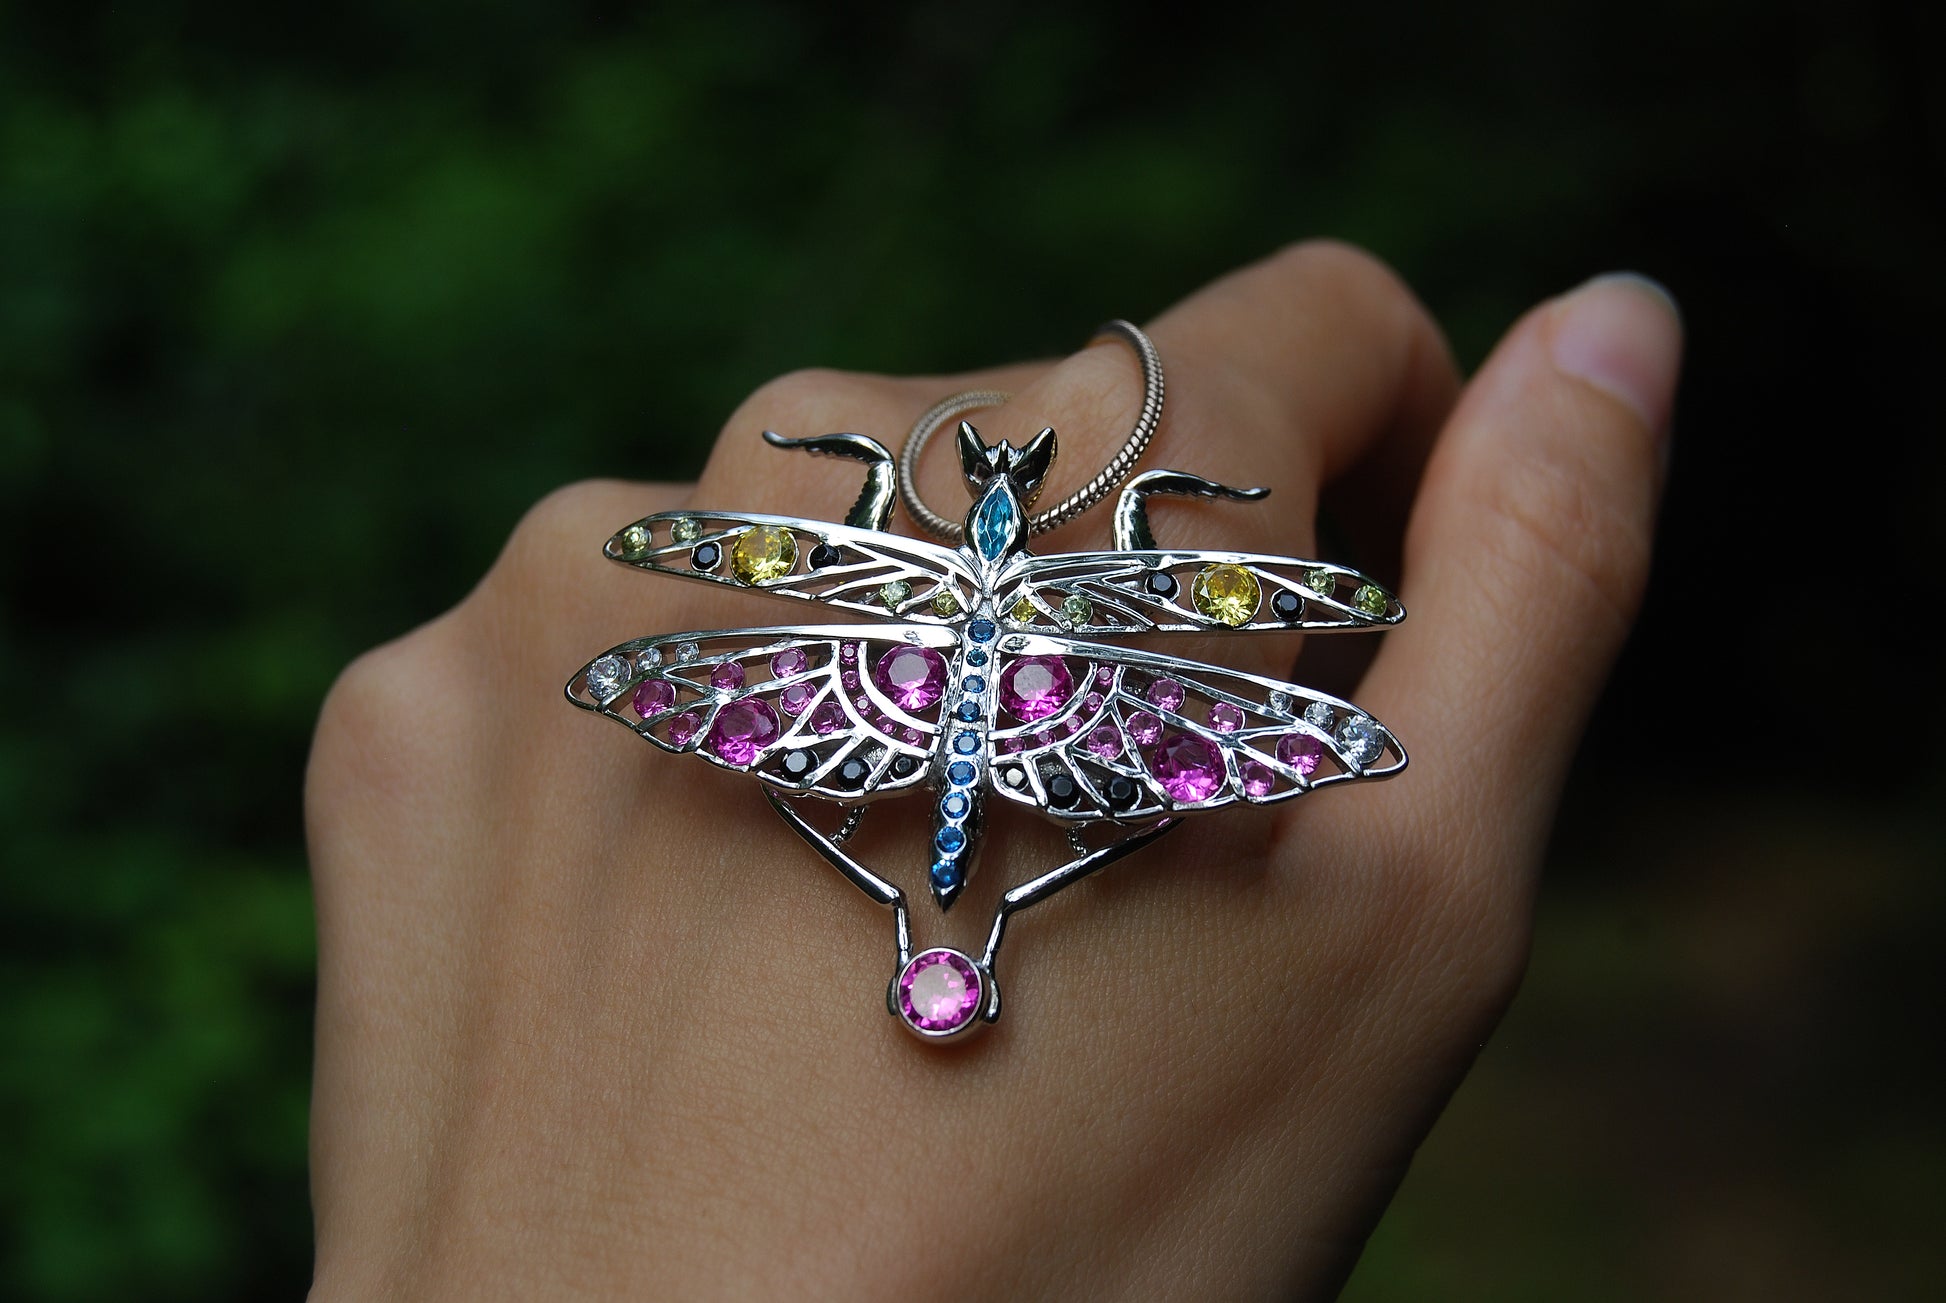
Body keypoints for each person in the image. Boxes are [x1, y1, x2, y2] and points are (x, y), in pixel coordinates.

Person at [304, 242, 1681, 1299]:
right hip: (1003, 709)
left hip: (913, 700)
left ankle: (950, 889)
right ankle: (973, 902)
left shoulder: (944, 553)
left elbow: (704, 565)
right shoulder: (1103, 571)